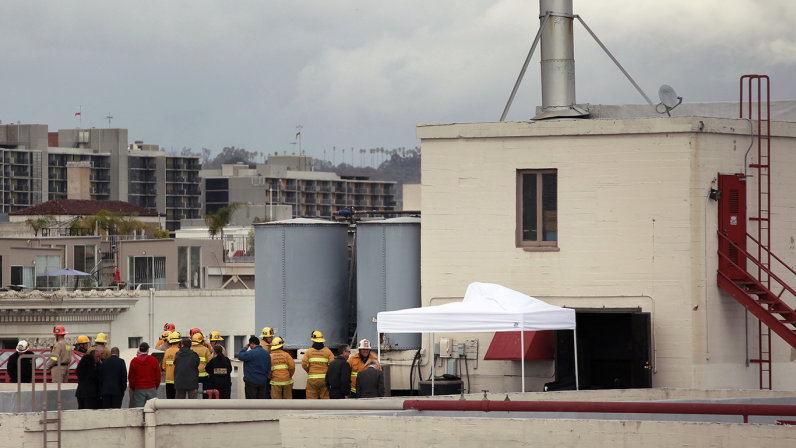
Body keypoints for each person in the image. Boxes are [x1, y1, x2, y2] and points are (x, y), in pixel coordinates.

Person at [301, 330, 334, 399]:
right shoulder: (328, 351)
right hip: (324, 379)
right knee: (325, 398)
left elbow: (304, 364)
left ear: (313, 340)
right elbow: (332, 365)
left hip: (312, 379)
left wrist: (309, 371)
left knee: (311, 398)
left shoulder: (309, 352)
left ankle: (312, 410)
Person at [128, 342, 161, 407]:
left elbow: (131, 377)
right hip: (151, 388)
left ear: (139, 350)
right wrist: (155, 386)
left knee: (139, 409)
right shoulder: (154, 360)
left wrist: (134, 388)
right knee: (152, 408)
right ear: (148, 350)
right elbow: (158, 376)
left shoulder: (134, 361)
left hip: (138, 389)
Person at [190, 331, 212, 398]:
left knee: (193, 393)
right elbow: (210, 362)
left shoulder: (190, 349)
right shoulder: (205, 349)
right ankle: (205, 405)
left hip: (193, 375)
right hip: (204, 375)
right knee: (205, 392)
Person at [161, 331, 181, 399]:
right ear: (178, 342)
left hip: (168, 379)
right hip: (177, 380)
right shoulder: (179, 351)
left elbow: (163, 366)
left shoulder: (167, 351)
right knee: (177, 401)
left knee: (169, 400)